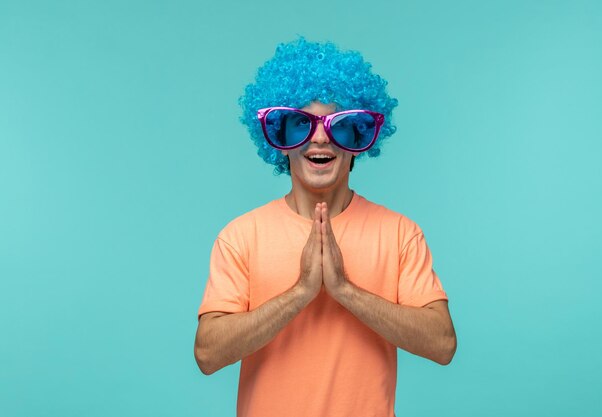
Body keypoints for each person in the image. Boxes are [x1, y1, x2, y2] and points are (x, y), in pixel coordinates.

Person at [194, 37, 457, 417]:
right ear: (279, 141)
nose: (319, 138)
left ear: (360, 140)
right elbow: (207, 353)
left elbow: (443, 343)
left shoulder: (400, 233)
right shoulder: (240, 236)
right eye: (299, 124)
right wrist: (301, 292)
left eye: (341, 126)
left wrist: (344, 290)